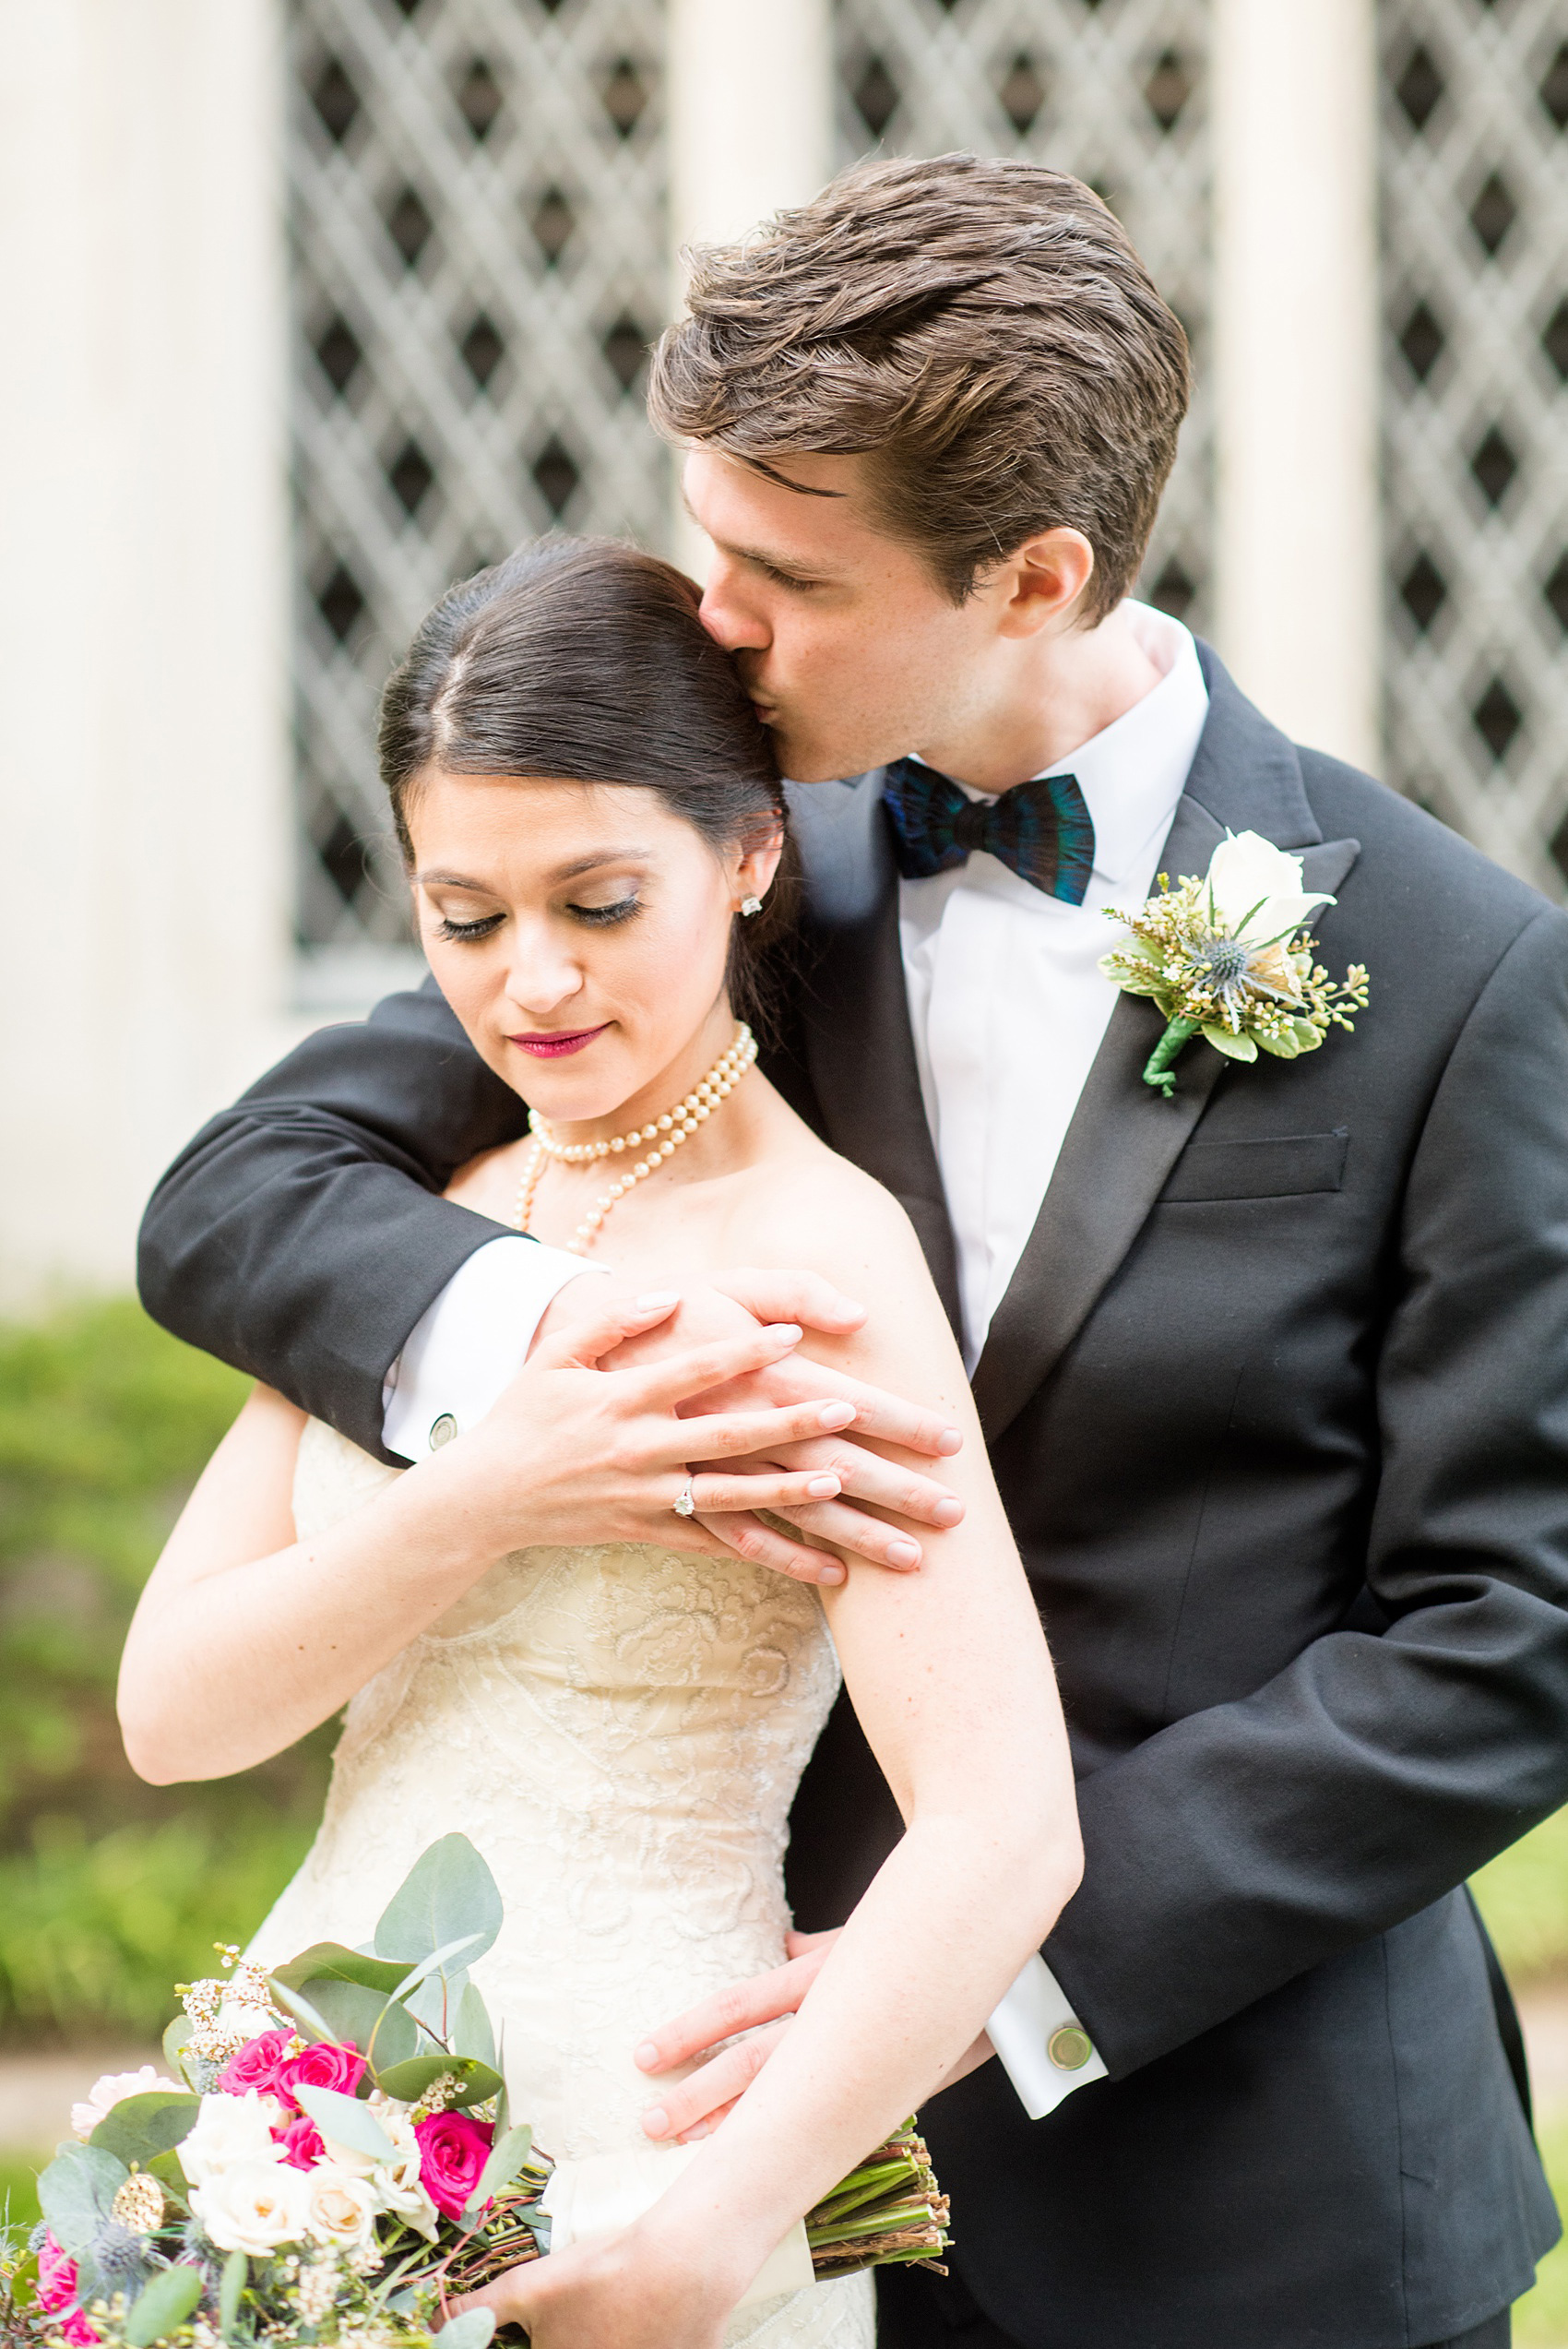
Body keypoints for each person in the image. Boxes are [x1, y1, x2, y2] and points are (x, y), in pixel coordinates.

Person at [137, 154, 1568, 2349]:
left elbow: (1510, 1628)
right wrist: (575, 1369)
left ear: (1033, 574)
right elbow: (245, 1199)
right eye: (707, 537)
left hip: (1244, 2192)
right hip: (681, 2116)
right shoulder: (683, 875)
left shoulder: (1458, 968)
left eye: (780, 572)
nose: (707, 617)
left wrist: (989, 1976)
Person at [118, 537, 1084, 2349]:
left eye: (598, 902)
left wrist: (714, 2235)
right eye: (464, 916)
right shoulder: (425, 1213)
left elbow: (1004, 1825)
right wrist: (488, 1491)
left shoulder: (813, 1261)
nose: (532, 982)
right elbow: (176, 1713)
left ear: (746, 853)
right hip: (305, 2135)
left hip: (647, 2164)